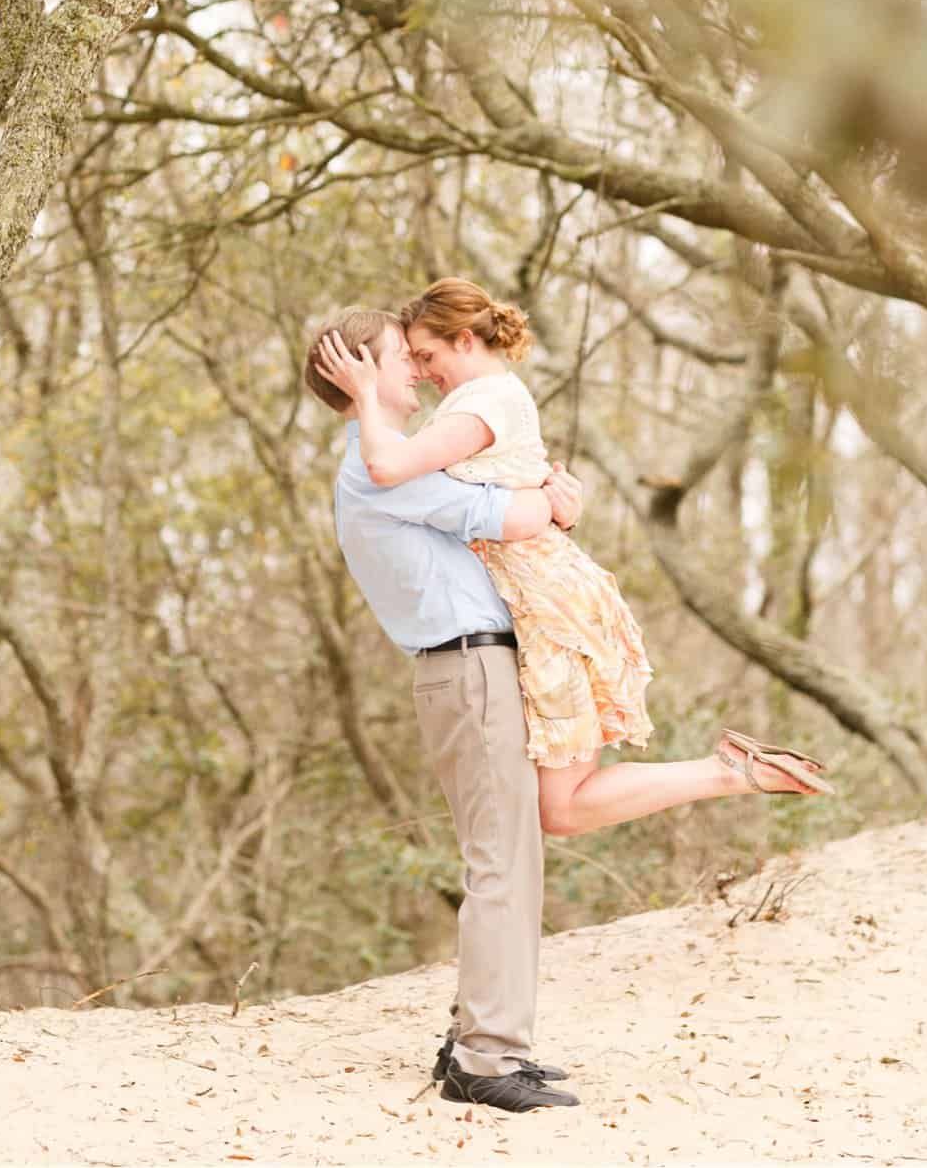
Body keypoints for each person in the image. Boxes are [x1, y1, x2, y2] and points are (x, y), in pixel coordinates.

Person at [315, 277, 834, 850]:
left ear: (465, 340)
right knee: (560, 808)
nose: (423, 370)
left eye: (428, 355)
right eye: (411, 359)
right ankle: (729, 770)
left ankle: (727, 772)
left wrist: (365, 394)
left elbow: (387, 470)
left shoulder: (482, 402)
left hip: (551, 607)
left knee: (560, 807)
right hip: (546, 600)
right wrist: (553, 507)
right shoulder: (481, 401)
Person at [304, 306, 583, 1114]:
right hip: (468, 669)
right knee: (501, 863)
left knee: (510, 860)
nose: (416, 372)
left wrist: (550, 491)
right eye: (398, 359)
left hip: (476, 667)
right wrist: (555, 500)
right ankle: (484, 1055)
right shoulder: (377, 463)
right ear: (356, 374)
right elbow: (523, 517)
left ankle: (484, 1038)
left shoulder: (387, 462)